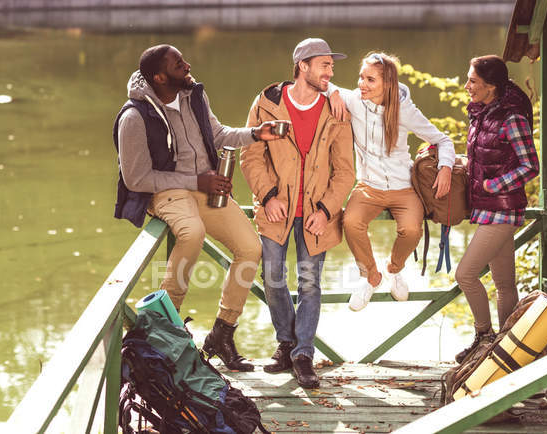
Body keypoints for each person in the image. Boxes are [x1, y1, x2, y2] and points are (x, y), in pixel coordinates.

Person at [113, 44, 280, 371]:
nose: (187, 65)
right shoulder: (134, 117)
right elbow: (136, 179)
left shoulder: (194, 96)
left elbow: (219, 136)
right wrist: (196, 182)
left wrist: (257, 134)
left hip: (204, 187)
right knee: (191, 233)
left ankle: (222, 333)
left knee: (250, 247)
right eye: (179, 64)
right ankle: (162, 327)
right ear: (160, 77)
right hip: (166, 192)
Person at [240, 38, 354, 388]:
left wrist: (327, 209)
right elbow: (251, 156)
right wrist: (269, 195)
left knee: (310, 283)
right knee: (273, 277)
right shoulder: (267, 103)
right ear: (302, 66)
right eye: (324, 65)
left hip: (316, 212)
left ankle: (303, 354)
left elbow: (346, 171)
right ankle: (287, 342)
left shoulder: (336, 111)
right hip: (277, 208)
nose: (330, 72)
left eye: (331, 66)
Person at [327, 52, 456, 310]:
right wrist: (332, 92)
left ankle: (394, 269)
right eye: (361, 77)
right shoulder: (355, 100)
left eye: (370, 80)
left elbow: (443, 140)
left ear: (387, 84)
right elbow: (321, 82)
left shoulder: (405, 110)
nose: (362, 84)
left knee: (411, 230)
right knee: (351, 222)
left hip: (403, 187)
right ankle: (370, 276)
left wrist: (446, 168)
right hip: (368, 186)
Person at [454, 55, 538, 363]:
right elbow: (491, 156)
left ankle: (485, 337)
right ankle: (507, 350)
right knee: (504, 285)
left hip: (502, 210)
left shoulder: (511, 117)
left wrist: (494, 186)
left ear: (491, 86)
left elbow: (530, 165)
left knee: (465, 274)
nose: (467, 86)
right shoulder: (484, 114)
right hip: (490, 210)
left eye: (473, 81)